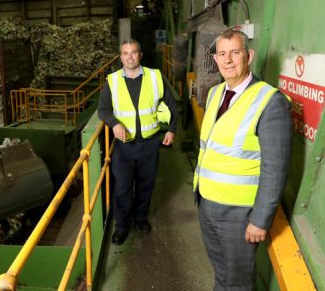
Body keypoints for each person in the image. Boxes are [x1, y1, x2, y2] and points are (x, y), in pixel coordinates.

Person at [194, 29, 292, 290]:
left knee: (237, 282)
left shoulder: (269, 102)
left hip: (238, 214)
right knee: (221, 274)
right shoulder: (215, 93)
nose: (227, 60)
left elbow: (276, 168)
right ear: (215, 59)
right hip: (208, 203)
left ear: (248, 55)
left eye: (234, 53)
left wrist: (260, 219)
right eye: (221, 54)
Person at [98, 38, 177, 245]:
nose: (130, 56)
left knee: (145, 186)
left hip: (150, 145)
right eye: (125, 53)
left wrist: (172, 129)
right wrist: (114, 124)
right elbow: (103, 110)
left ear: (140, 55)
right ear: (121, 57)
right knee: (123, 188)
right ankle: (122, 227)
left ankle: (141, 219)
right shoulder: (112, 81)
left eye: (134, 52)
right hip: (124, 148)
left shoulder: (155, 77)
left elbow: (171, 104)